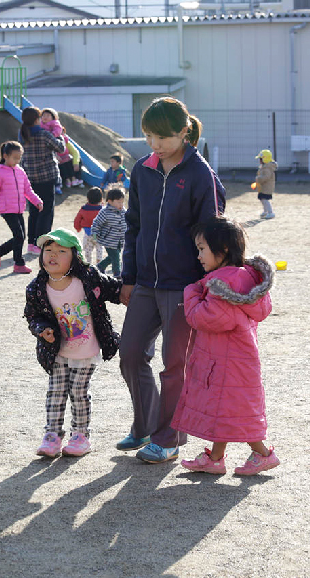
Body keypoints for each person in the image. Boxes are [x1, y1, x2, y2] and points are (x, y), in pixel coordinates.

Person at [118, 96, 225, 464]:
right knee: (130, 354)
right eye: (148, 136)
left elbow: (213, 234)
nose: (154, 145)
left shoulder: (201, 175)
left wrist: (206, 285)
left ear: (183, 132)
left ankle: (168, 439)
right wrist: (127, 277)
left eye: (161, 137)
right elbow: (132, 226)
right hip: (145, 282)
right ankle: (146, 425)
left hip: (185, 287)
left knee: (174, 365)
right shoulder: (141, 171)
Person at [172, 216, 279, 476]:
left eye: (202, 249)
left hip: (226, 358)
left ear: (224, 250)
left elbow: (209, 318)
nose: (198, 256)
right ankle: (216, 458)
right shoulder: (245, 277)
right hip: (235, 356)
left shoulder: (224, 282)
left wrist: (192, 293)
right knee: (226, 407)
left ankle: (262, 453)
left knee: (234, 408)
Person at [23, 228, 123, 458]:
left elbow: (114, 289)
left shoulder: (87, 278)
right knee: (56, 392)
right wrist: (42, 330)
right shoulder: (37, 288)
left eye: (61, 250)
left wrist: (131, 291)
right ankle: (52, 436)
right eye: (48, 250)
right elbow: (32, 316)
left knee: (78, 391)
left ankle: (80, 436)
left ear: (75, 256)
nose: (53, 255)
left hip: (86, 349)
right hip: (56, 350)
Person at [0, 141, 44, 274]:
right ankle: (18, 263)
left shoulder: (20, 171)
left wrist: (37, 201)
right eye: (15, 158)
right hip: (7, 210)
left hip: (19, 209)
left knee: (21, 236)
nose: (18, 161)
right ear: (5, 156)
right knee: (19, 235)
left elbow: (28, 190)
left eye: (19, 158)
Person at [19, 107, 66, 253]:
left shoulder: (22, 134)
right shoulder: (44, 134)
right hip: (46, 176)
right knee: (46, 211)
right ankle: (42, 244)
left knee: (34, 210)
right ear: (36, 119)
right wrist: (60, 136)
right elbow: (61, 148)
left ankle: (31, 244)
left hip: (30, 177)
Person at [91, 185, 128, 276]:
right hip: (109, 240)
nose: (121, 205)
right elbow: (96, 224)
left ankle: (100, 267)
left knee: (112, 257)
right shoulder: (105, 212)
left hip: (120, 240)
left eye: (122, 202)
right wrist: (95, 235)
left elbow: (128, 220)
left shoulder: (123, 211)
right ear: (110, 201)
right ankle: (117, 274)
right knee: (116, 257)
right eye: (119, 202)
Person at [73, 186, 104, 266]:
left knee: (88, 250)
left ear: (88, 198)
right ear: (101, 199)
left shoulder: (84, 209)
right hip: (99, 234)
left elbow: (77, 220)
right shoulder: (102, 210)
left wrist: (78, 228)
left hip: (88, 234)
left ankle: (88, 264)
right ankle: (99, 264)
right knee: (99, 249)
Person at [252, 149, 277, 219]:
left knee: (265, 199)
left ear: (265, 159)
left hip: (267, 187)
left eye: (261, 159)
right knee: (262, 199)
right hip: (263, 187)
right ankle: (265, 211)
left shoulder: (267, 168)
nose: (259, 161)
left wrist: (258, 178)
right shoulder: (264, 167)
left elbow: (266, 177)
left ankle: (270, 212)